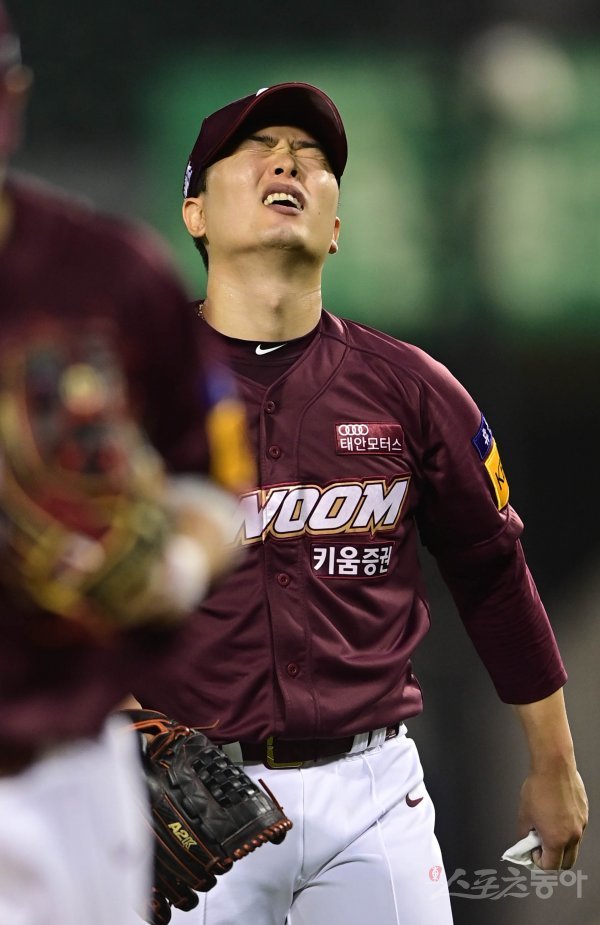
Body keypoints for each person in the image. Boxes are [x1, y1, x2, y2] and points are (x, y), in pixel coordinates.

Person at [135, 82, 588, 924]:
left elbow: (493, 574)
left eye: (311, 157)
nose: (288, 162)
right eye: (258, 148)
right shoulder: (132, 392)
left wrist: (553, 760)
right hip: (193, 795)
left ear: (335, 227)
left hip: (373, 791)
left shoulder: (412, 388)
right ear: (194, 212)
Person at [0, 6, 251, 924]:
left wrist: (173, 567)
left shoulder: (109, 275)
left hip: (66, 771)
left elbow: (213, 475)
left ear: (11, 97)